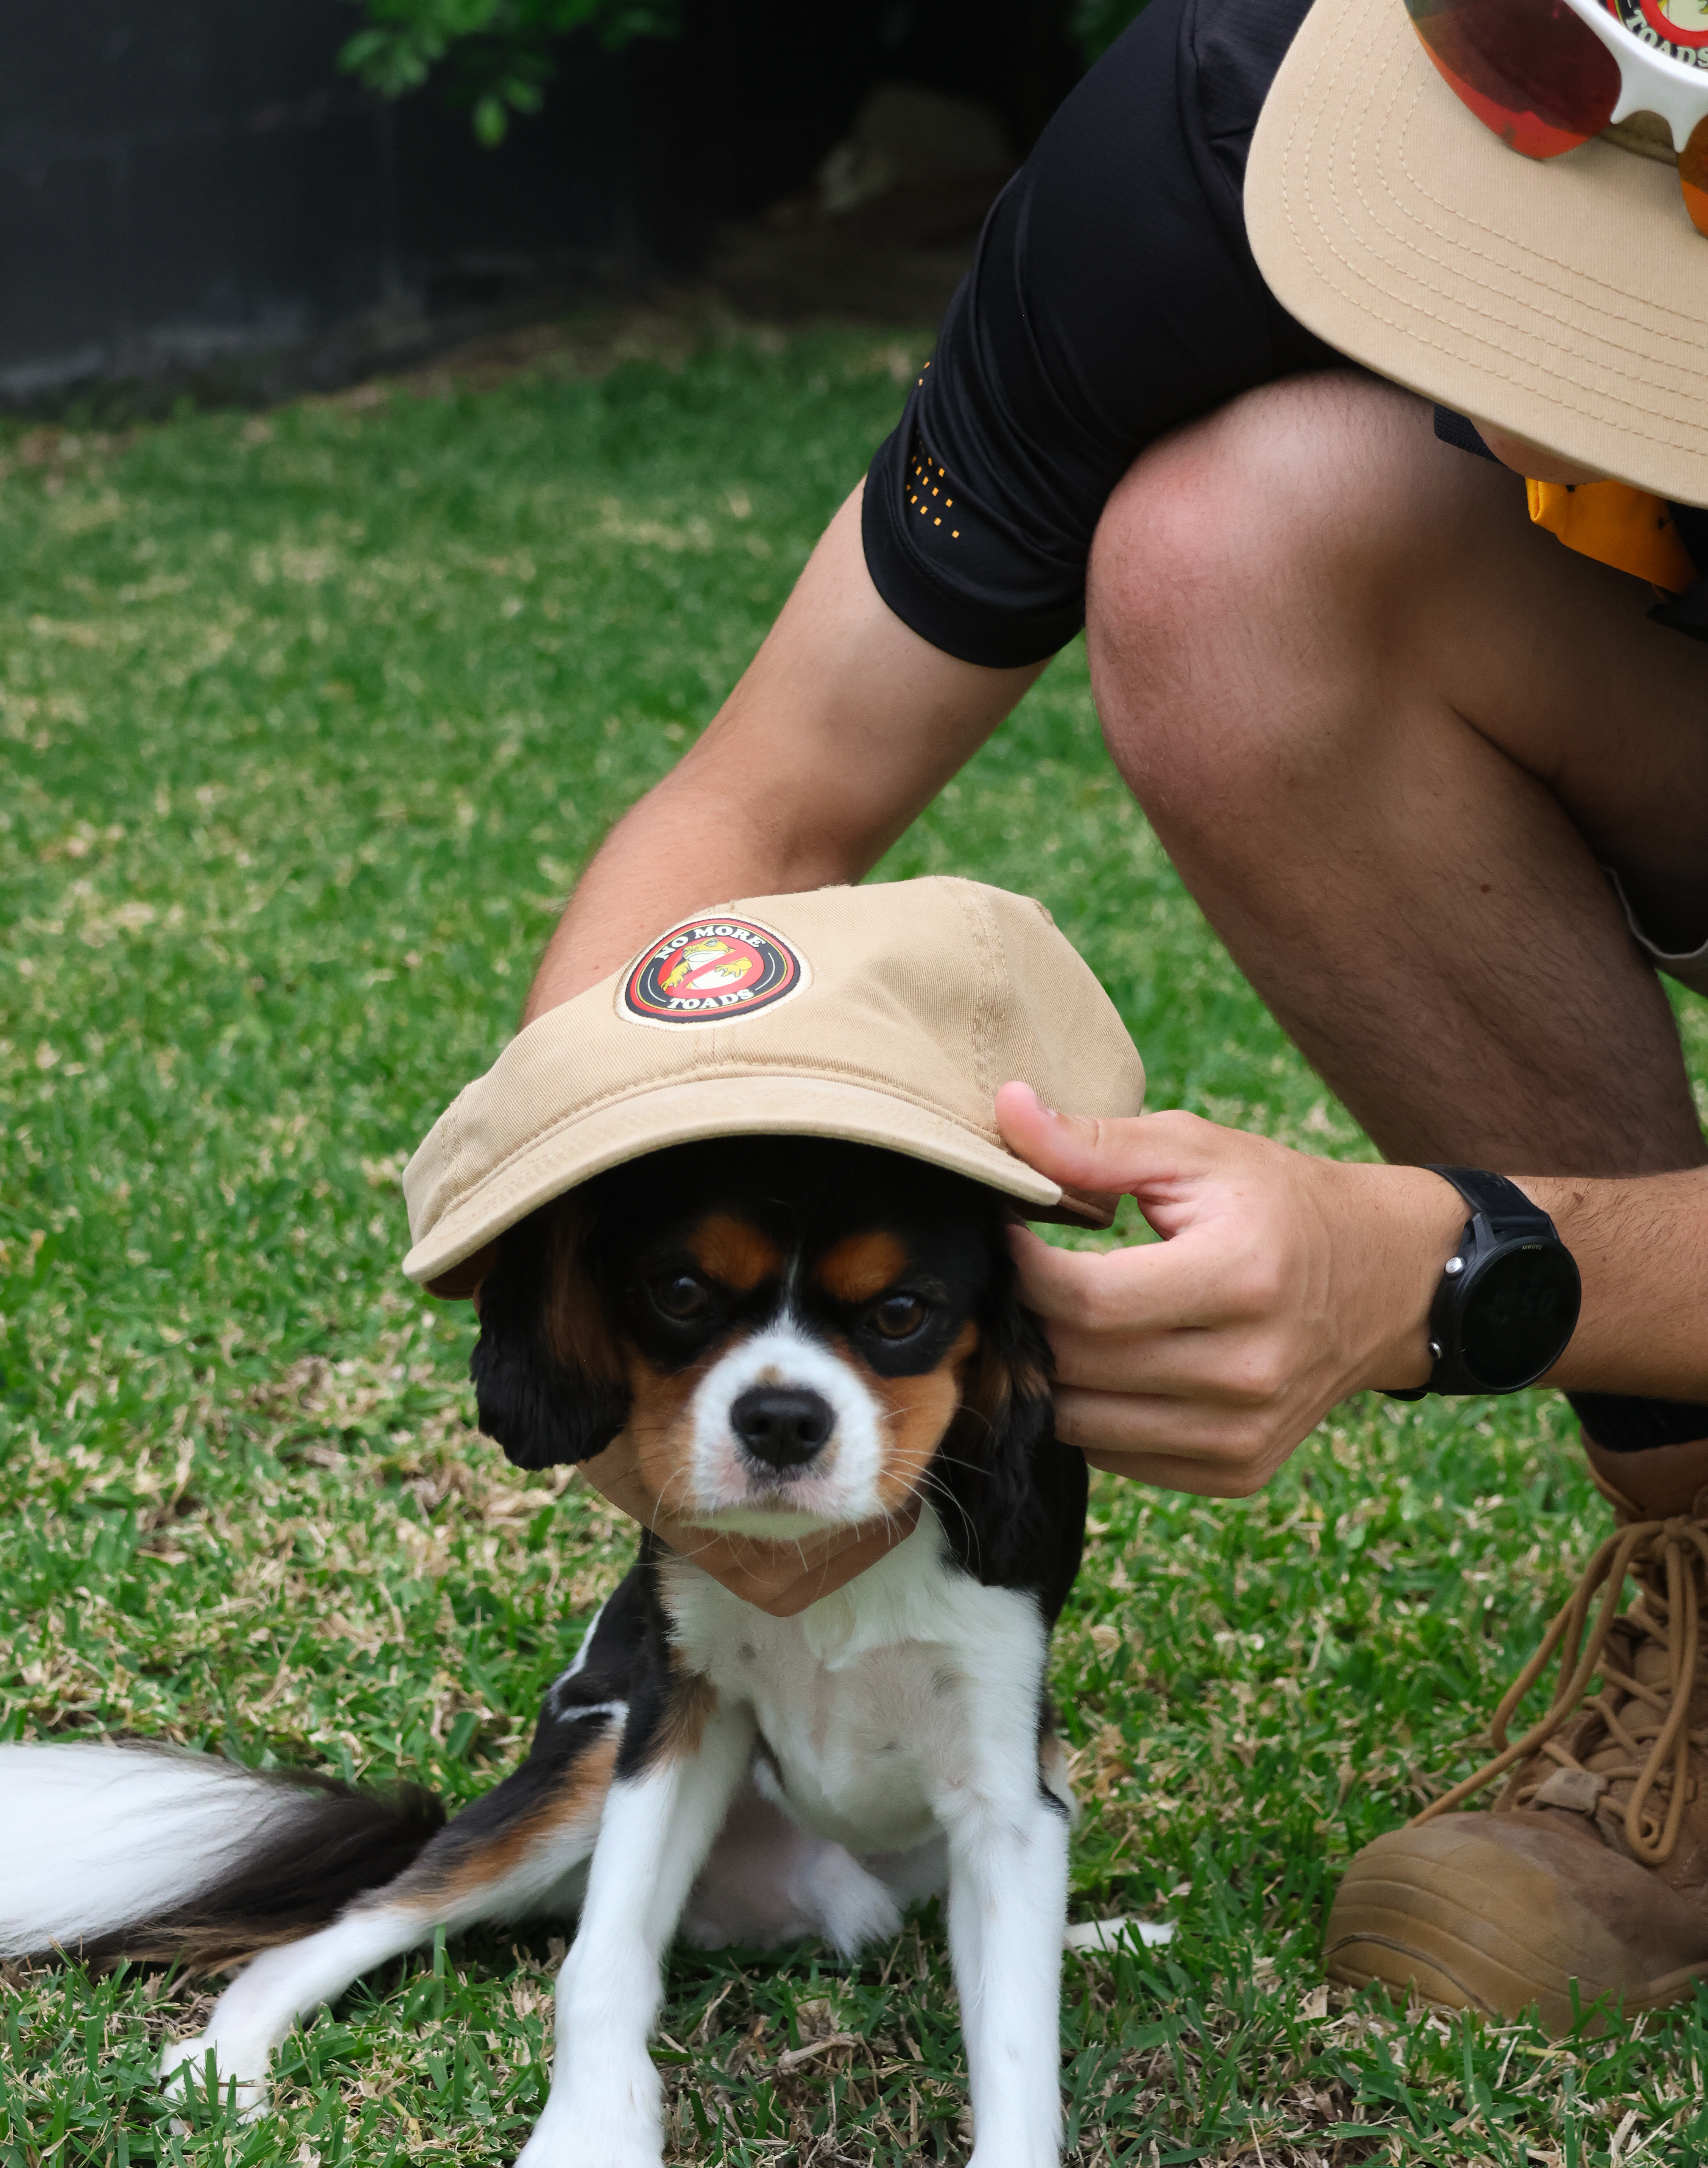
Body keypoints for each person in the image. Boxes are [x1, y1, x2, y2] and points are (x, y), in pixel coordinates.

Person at [518, 0, 1708, 2029]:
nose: (1512, 368)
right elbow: (763, 802)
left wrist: (1447, 1265)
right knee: (1228, 560)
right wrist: (588, 1237)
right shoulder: (1226, 127)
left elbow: (1445, 1268)